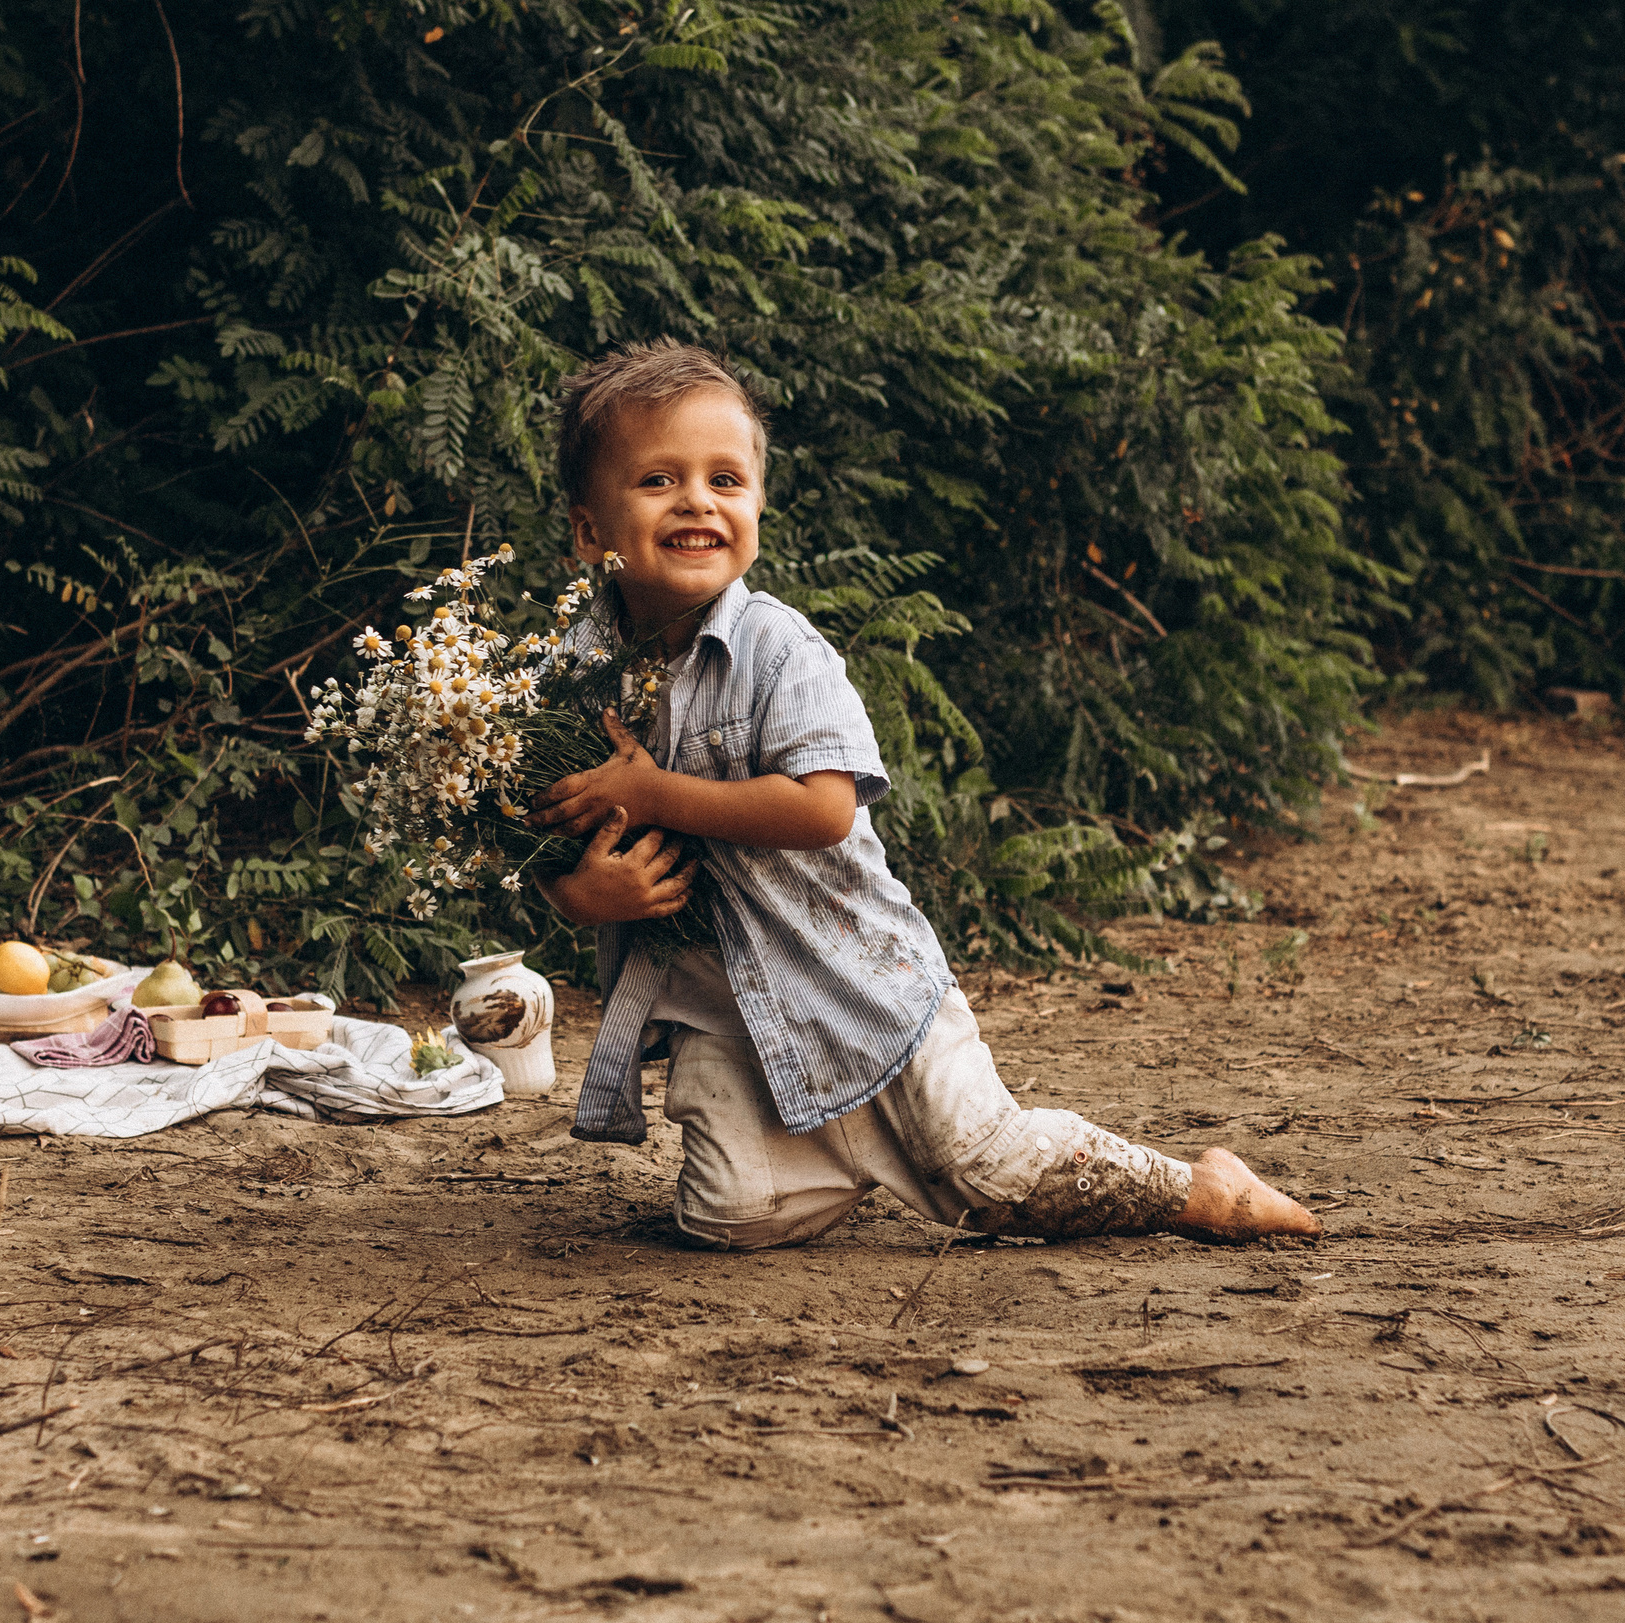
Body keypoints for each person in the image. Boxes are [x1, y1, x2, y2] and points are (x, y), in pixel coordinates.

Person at [529, 339, 1318, 1250]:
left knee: (994, 1173)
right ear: (591, 531)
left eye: (725, 479)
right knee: (729, 1215)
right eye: (660, 480)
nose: (698, 501)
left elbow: (825, 808)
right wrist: (577, 897)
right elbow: (543, 833)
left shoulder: (782, 651)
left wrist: (659, 794)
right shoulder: (568, 679)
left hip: (858, 980)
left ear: (757, 506)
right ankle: (836, 1151)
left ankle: (1197, 1188)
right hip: (724, 1008)